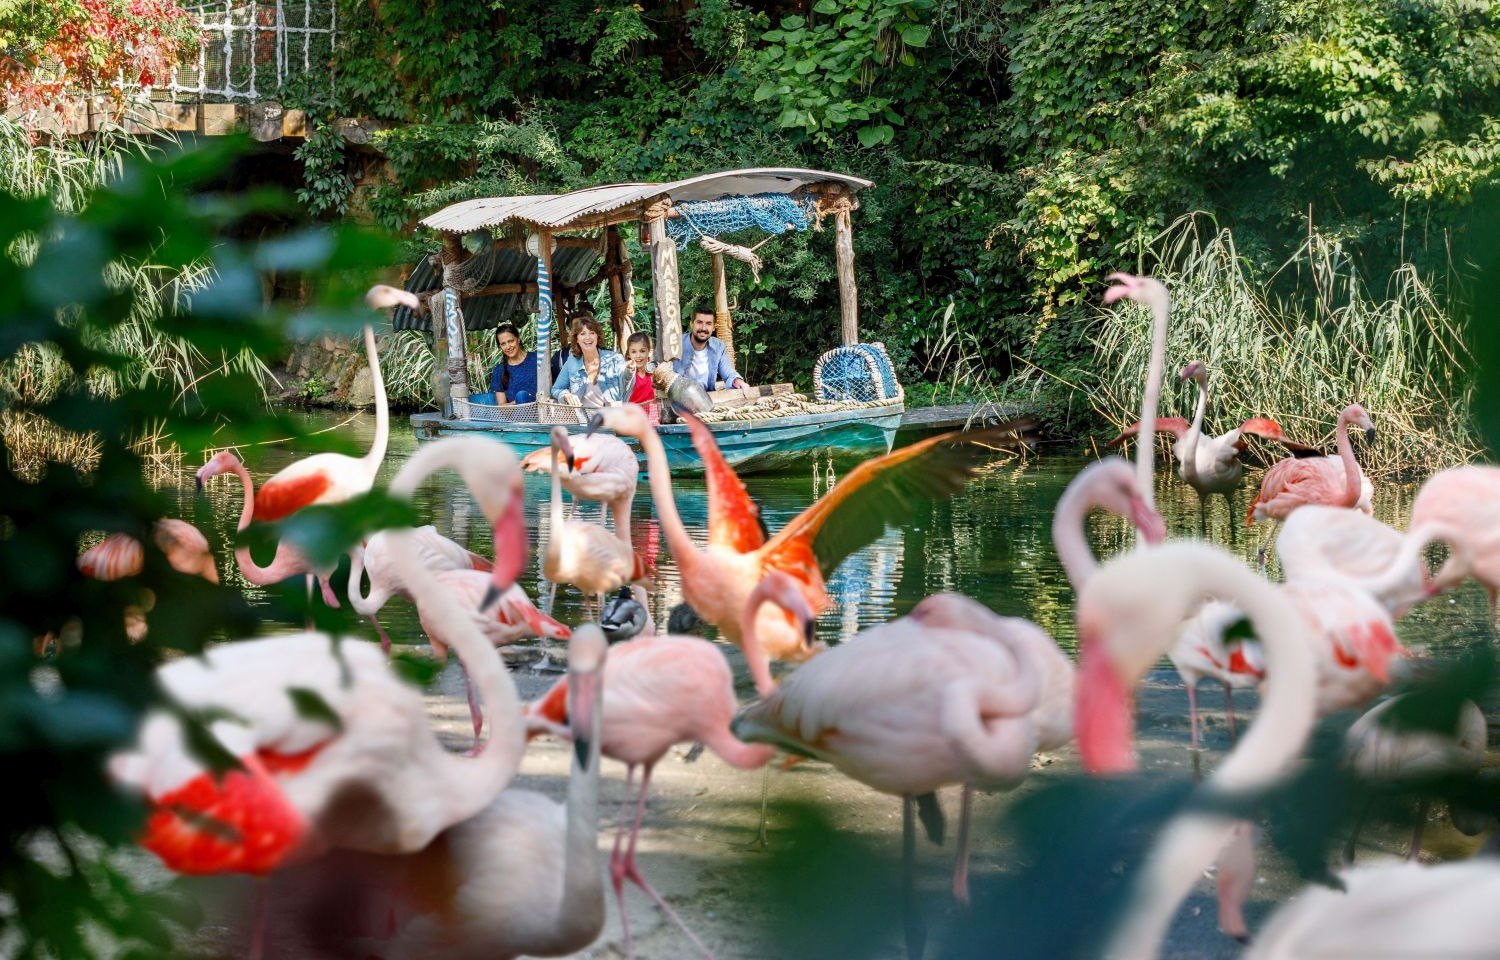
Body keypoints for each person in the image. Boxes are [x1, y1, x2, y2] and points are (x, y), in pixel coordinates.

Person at [551, 315, 629, 404]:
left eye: (592, 333)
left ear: (597, 336)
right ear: (577, 339)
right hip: (582, 417)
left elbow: (627, 387)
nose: (587, 337)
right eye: (583, 333)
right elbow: (556, 389)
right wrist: (566, 395)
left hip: (611, 416)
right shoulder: (572, 361)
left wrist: (630, 371)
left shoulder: (615, 359)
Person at [672, 307, 747, 392]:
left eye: (708, 323)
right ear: (691, 324)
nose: (703, 328)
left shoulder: (718, 346)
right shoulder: (676, 345)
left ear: (714, 327)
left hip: (707, 399)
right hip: (680, 399)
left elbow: (728, 372)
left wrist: (737, 381)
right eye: (699, 322)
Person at [487, 323, 538, 404]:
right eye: (503, 344)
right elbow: (502, 407)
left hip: (543, 412)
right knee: (521, 396)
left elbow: (551, 388)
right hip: (517, 414)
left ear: (518, 339)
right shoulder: (499, 371)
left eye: (510, 341)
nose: (508, 347)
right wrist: (517, 402)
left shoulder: (536, 359)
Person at [624, 331, 661, 424]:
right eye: (633, 352)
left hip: (653, 419)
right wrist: (629, 370)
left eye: (642, 351)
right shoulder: (628, 373)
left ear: (650, 352)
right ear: (628, 354)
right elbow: (626, 377)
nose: (638, 355)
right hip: (633, 419)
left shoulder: (655, 372)